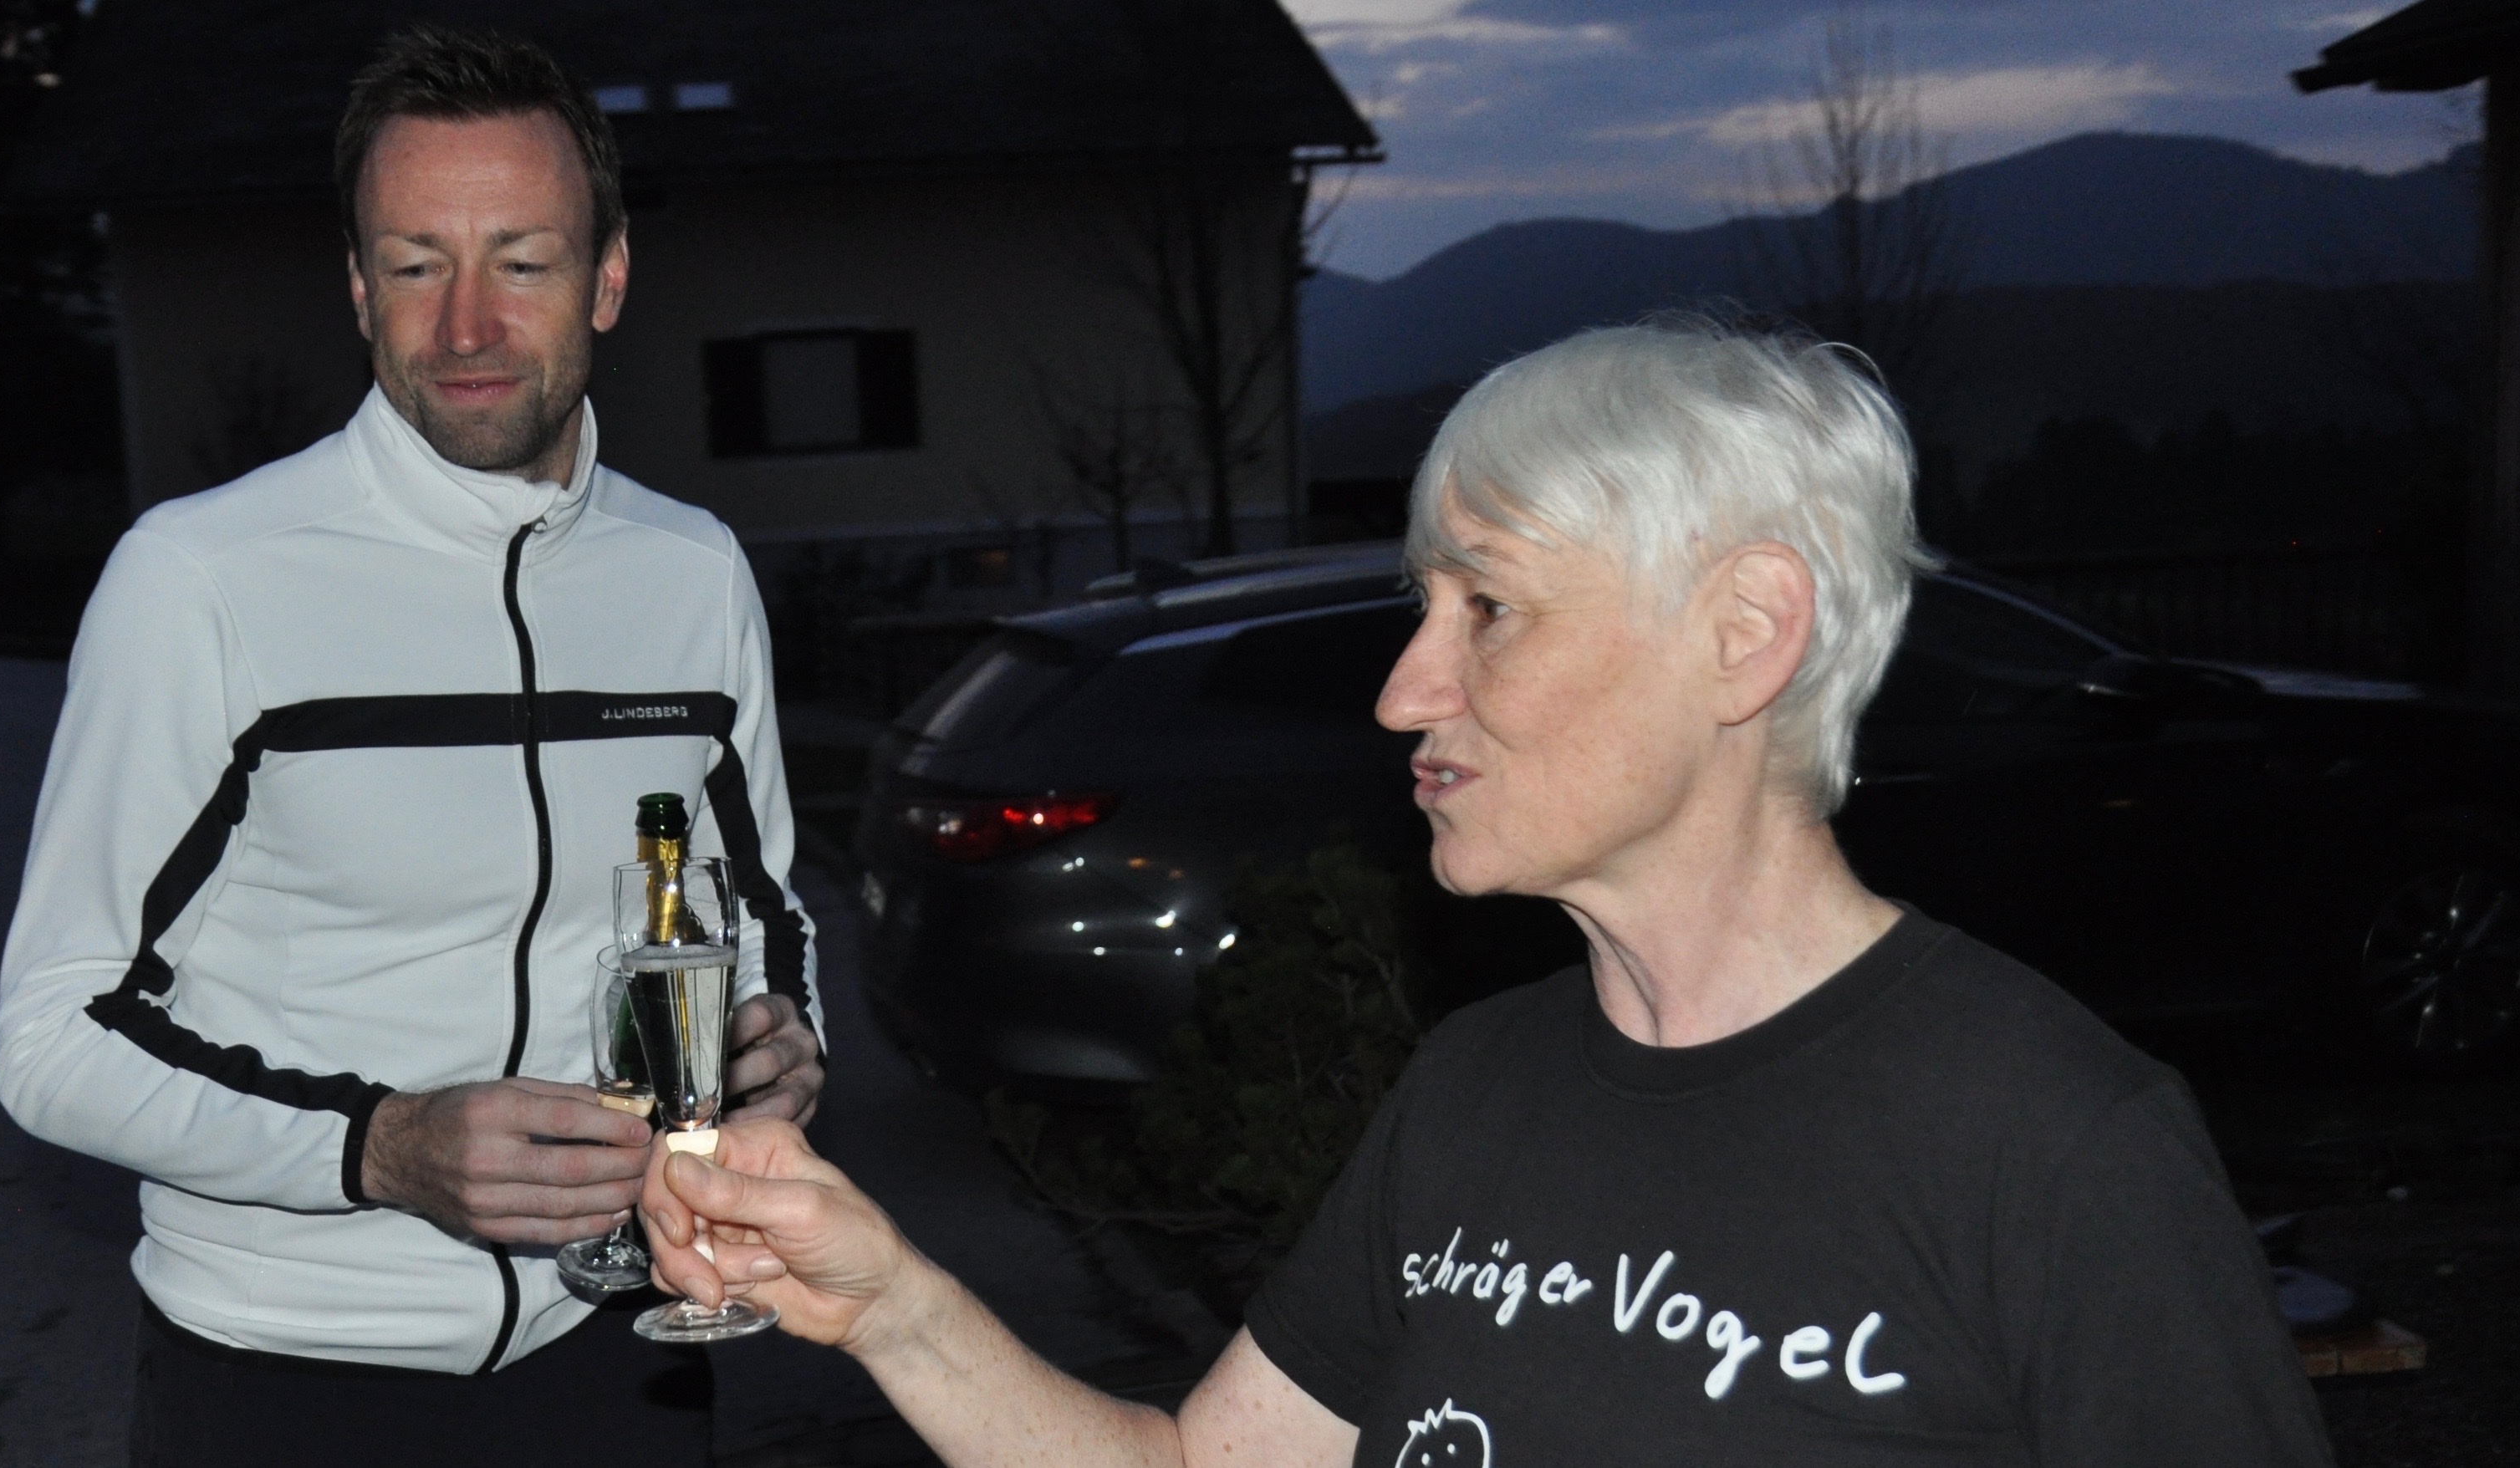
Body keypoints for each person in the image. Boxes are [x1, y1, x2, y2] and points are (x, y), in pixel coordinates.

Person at [633, 319, 2335, 1466]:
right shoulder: (1475, 1086)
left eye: (1488, 609)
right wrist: (892, 1305)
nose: (1402, 690)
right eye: (1420, 609)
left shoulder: (2053, 1143)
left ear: (1744, 634)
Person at [0, 25, 824, 1467]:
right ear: (358, 287)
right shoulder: (201, 577)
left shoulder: (691, 572)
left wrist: (786, 1047)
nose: (466, 328)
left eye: (523, 261)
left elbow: (767, 919)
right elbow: (52, 1036)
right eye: (417, 264)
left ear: (608, 278)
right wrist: (377, 1147)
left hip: (619, 1358)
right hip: (286, 1379)